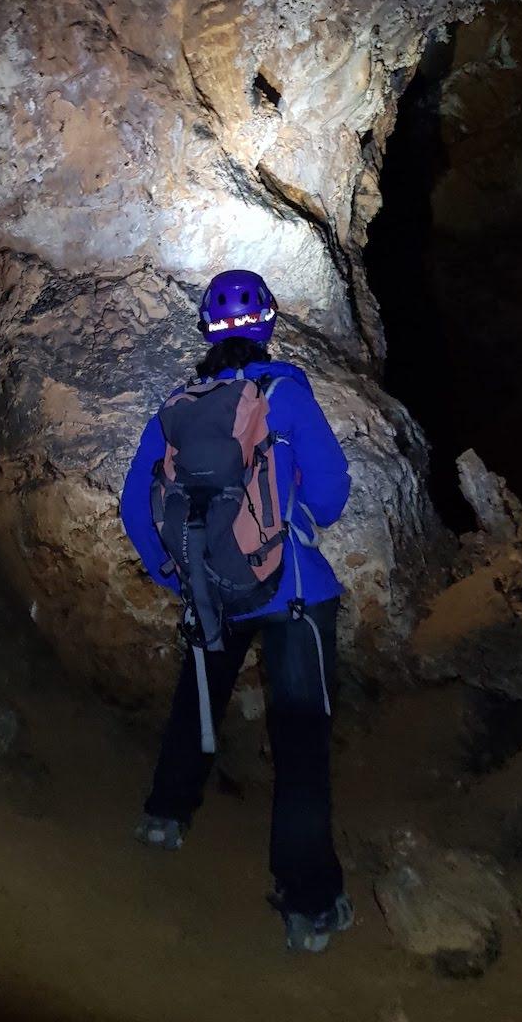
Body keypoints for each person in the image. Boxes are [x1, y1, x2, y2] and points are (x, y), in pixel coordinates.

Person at [119, 267, 354, 954]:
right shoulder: (283, 394)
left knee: (197, 703)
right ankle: (307, 903)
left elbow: (139, 505)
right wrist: (284, 530)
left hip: (211, 587)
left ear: (206, 330)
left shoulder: (177, 403)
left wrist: (180, 575)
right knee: (301, 740)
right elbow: (334, 489)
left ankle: (165, 816)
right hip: (296, 595)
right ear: (269, 324)